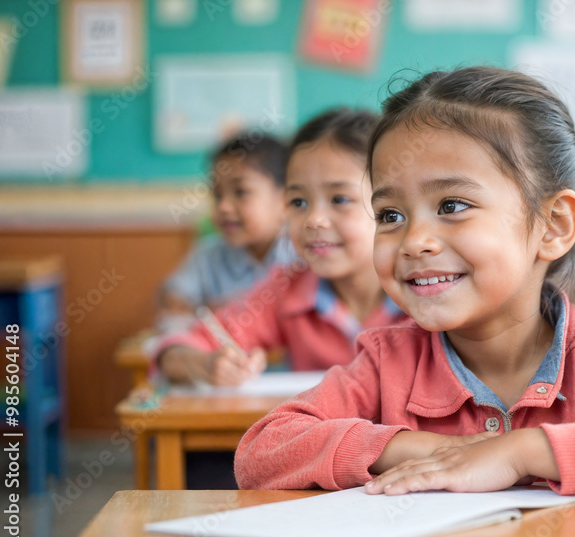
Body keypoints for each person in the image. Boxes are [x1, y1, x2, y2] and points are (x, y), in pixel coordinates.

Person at [235, 67, 575, 498]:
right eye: (390, 214)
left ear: (553, 226)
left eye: (452, 206)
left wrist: (523, 451)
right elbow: (261, 451)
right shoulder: (387, 362)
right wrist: (412, 449)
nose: (414, 240)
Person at [155, 108, 405, 386]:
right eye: (298, 202)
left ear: (389, 205)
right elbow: (177, 349)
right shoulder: (286, 290)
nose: (313, 220)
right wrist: (205, 364)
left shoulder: (424, 289)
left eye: (339, 199)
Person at [157, 133, 296, 324]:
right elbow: (172, 300)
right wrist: (200, 312)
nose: (223, 207)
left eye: (241, 192)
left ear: (285, 202)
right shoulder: (207, 255)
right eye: (217, 195)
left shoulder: (303, 256)